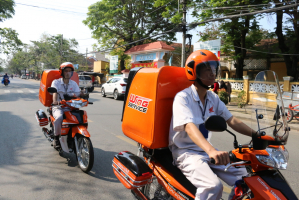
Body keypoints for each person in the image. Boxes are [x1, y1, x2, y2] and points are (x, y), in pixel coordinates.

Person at [169, 50, 255, 200]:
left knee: (246, 178)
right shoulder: (183, 98)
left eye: (213, 68)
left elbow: (231, 120)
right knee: (212, 186)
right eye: (206, 69)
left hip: (206, 150)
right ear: (194, 72)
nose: (212, 73)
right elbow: (189, 127)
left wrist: (257, 135)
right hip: (185, 152)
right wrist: (211, 151)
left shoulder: (212, 97)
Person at [51, 62, 83, 148]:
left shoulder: (74, 84)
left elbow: (77, 94)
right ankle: (56, 138)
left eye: (70, 71)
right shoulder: (56, 82)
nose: (68, 73)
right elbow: (54, 92)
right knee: (59, 117)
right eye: (66, 71)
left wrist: (82, 94)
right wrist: (55, 101)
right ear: (62, 72)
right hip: (58, 106)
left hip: (70, 107)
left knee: (80, 116)